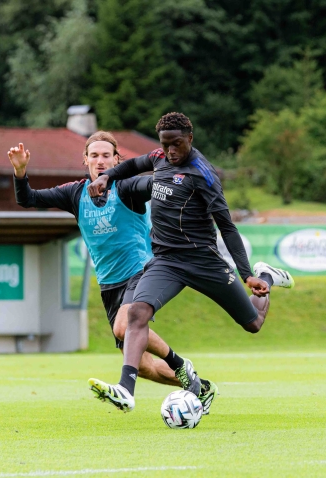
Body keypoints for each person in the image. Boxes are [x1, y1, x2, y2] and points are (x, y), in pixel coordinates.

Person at [87, 113, 294, 412]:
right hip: (166, 261)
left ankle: (268, 275)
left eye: (177, 144)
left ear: (190, 139)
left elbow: (227, 227)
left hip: (203, 262)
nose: (170, 151)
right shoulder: (159, 157)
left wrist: (248, 274)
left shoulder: (204, 175)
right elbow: (133, 164)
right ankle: (125, 389)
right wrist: (108, 176)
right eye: (166, 144)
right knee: (137, 313)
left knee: (253, 323)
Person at [8, 131, 218, 413]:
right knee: (143, 367)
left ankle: (178, 366)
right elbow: (28, 199)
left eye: (107, 155)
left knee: (126, 325)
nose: (100, 160)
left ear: (117, 160)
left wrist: (180, 176)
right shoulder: (75, 193)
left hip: (142, 272)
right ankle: (201, 387)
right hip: (109, 286)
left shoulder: (128, 188)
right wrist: (20, 173)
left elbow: (155, 183)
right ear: (85, 160)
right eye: (94, 155)